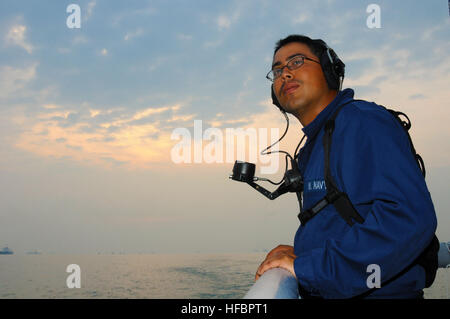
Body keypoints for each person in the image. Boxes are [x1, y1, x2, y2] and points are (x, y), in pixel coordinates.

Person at [254, 34, 438, 299]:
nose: (284, 74)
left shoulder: (362, 122)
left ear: (330, 70)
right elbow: (344, 223)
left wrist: (307, 267)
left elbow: (406, 218)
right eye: (277, 70)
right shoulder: (316, 144)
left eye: (296, 62)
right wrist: (304, 253)